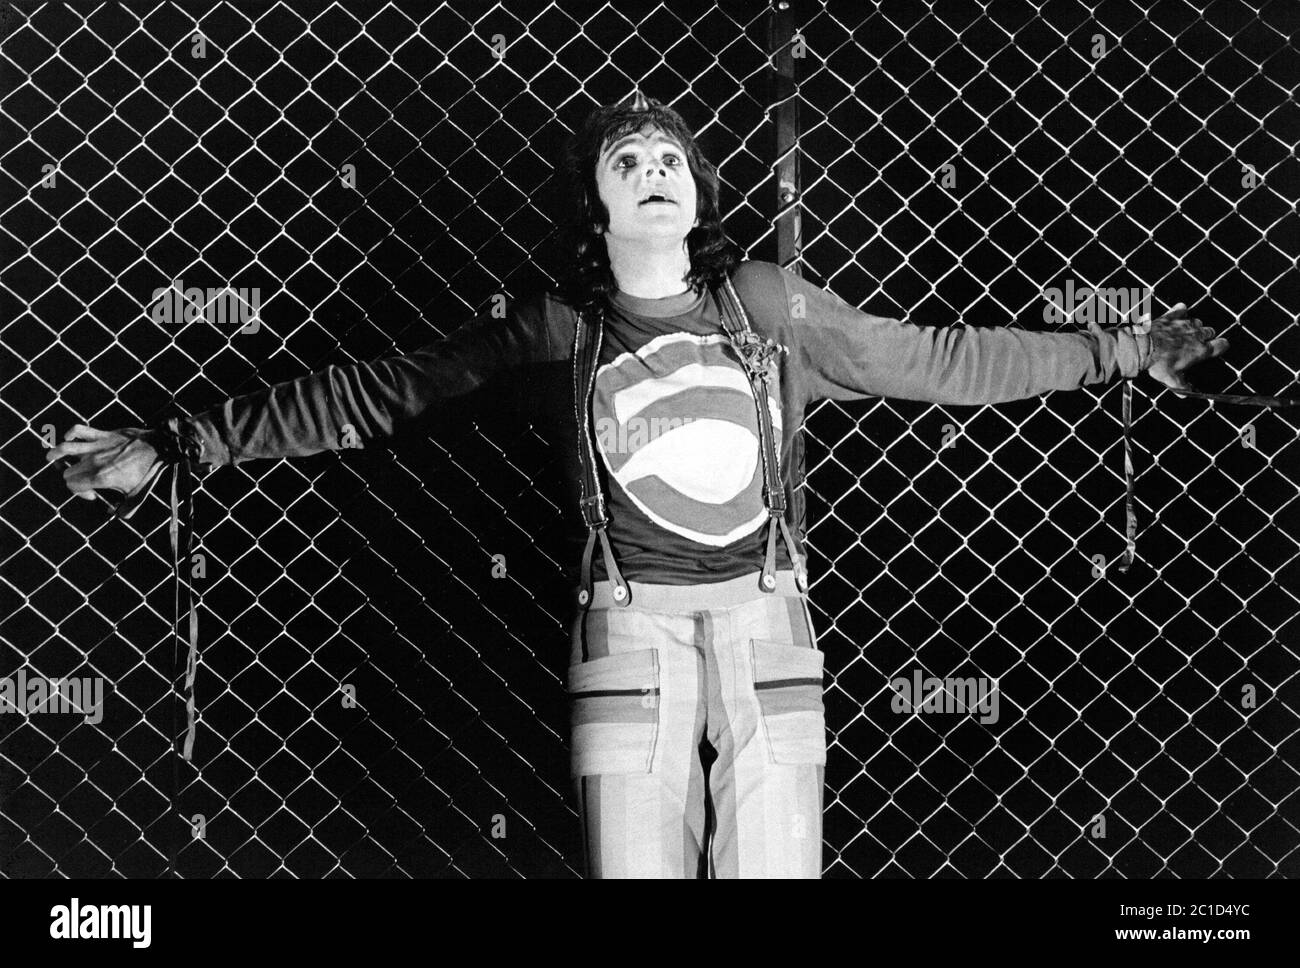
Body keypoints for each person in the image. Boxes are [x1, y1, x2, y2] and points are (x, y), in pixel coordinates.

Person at [47, 94, 1227, 878]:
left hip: (768, 616)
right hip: (628, 626)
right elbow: (382, 392)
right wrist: (185, 439)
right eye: (629, 160)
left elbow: (936, 358)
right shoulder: (559, 327)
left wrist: (1115, 351)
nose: (654, 169)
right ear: (600, 200)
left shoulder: (769, 305)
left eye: (671, 158)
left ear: (699, 193)